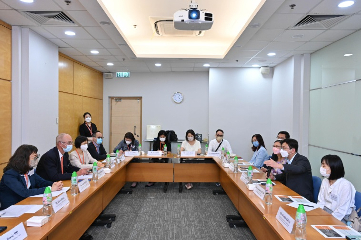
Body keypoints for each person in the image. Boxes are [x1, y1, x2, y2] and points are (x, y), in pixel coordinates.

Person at [0, 145, 63, 209]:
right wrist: (49, 189)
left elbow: (41, 182)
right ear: (24, 158)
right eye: (34, 157)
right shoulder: (10, 175)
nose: (36, 160)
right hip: (12, 209)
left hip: (27, 204)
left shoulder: (29, 170)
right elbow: (24, 192)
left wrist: (54, 184)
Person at [317, 155, 355, 222]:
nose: (321, 168)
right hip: (325, 212)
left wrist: (328, 220)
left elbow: (341, 210)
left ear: (333, 168)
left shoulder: (345, 185)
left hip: (341, 217)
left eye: (324, 166)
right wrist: (318, 214)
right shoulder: (325, 181)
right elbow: (321, 201)